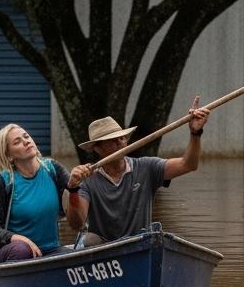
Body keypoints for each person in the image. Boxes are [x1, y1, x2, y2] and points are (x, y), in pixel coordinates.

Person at [66, 97, 210, 245]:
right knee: (89, 240)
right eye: (112, 140)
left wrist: (195, 134)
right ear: (97, 148)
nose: (120, 142)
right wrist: (73, 189)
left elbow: (188, 165)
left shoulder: (146, 167)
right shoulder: (88, 180)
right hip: (105, 252)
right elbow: (76, 224)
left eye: (122, 138)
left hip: (140, 245)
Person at [0, 124, 74, 262]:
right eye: (17, 142)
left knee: (73, 258)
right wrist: (20, 239)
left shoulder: (52, 169)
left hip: (51, 250)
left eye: (26, 136)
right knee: (22, 249)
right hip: (16, 251)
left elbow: (77, 193)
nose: (26, 141)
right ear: (9, 156)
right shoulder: (4, 181)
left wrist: (77, 184)